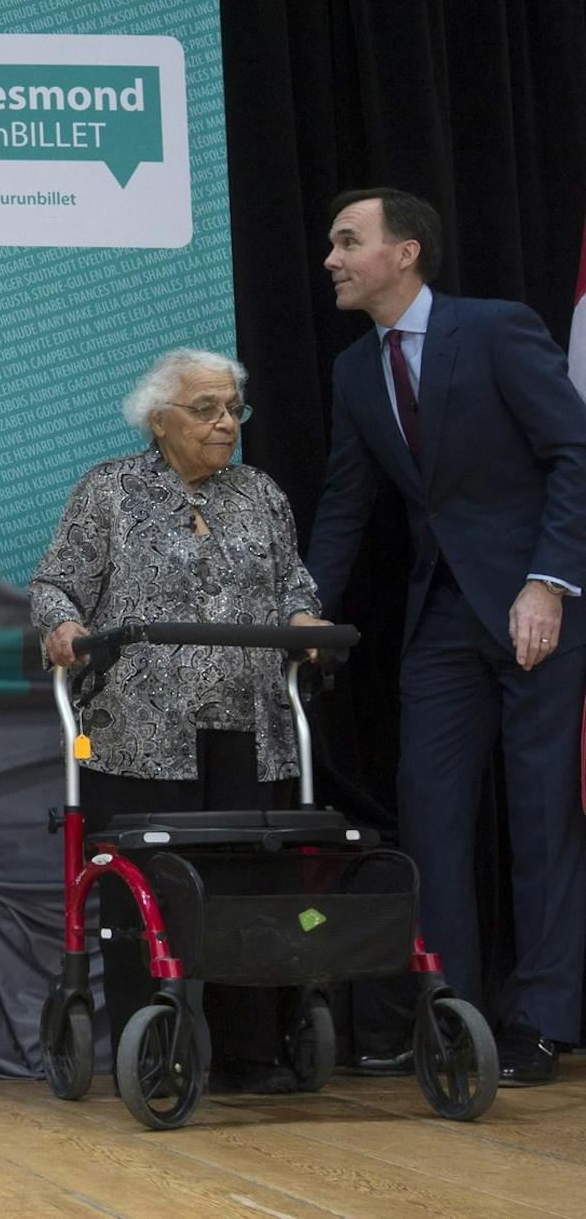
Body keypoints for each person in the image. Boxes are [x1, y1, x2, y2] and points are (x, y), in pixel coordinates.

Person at [304, 187, 586, 1087]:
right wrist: (307, 609)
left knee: (541, 818)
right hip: (441, 620)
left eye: (349, 241)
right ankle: (451, 1014)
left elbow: (574, 453)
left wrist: (549, 580)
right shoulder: (356, 370)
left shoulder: (496, 329)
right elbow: (347, 503)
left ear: (406, 252)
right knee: (429, 815)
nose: (332, 259)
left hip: (538, 608)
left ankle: (542, 1021)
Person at [31, 347, 327, 1092]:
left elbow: (294, 581)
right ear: (158, 419)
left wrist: (303, 618)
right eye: (206, 409)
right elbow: (56, 584)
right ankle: (157, 1053)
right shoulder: (109, 489)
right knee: (148, 896)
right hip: (139, 733)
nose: (226, 423)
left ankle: (248, 1054)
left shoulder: (260, 493)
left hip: (249, 727)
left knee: (245, 889)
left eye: (233, 408)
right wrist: (63, 626)